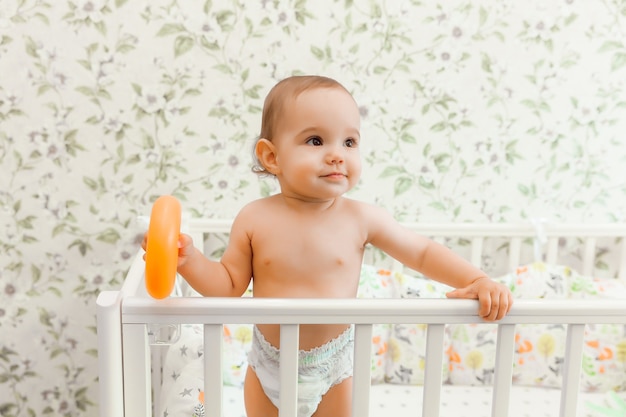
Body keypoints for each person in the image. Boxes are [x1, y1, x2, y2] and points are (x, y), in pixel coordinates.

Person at [142, 75, 513, 417]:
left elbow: (422, 253)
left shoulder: (362, 218)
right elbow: (227, 286)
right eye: (315, 140)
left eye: (349, 141)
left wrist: (477, 278)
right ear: (272, 157)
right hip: (269, 362)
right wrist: (188, 260)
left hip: (332, 366)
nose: (337, 153)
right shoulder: (254, 218)